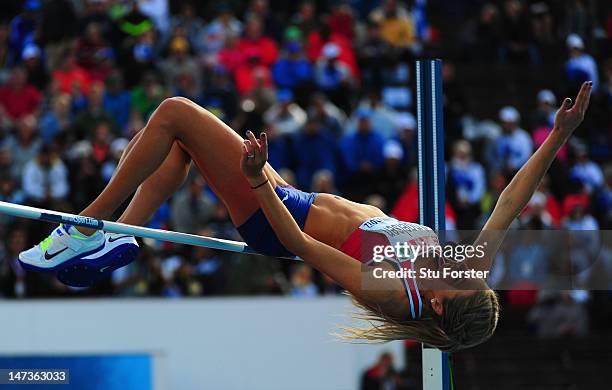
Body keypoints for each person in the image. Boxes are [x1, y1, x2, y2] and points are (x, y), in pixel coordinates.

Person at [20, 81, 593, 351]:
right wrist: (558, 137)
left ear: (439, 304)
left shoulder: (393, 291)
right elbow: (510, 202)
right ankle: (120, 238)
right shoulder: (462, 273)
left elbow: (297, 241)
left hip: (279, 219)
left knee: (174, 113)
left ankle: (85, 224)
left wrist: (254, 182)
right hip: (290, 198)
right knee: (179, 147)